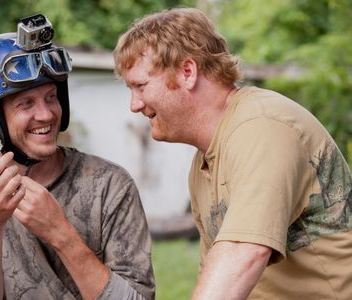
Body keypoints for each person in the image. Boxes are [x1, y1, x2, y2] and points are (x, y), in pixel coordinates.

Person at [113, 7, 352, 300]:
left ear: (187, 72)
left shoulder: (262, 127)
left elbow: (243, 251)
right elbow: (218, 274)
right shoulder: (204, 161)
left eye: (140, 86)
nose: (134, 105)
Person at [0, 16, 155, 300]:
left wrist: (60, 233)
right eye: (26, 103)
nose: (47, 114)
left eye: (51, 97)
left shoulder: (109, 185)